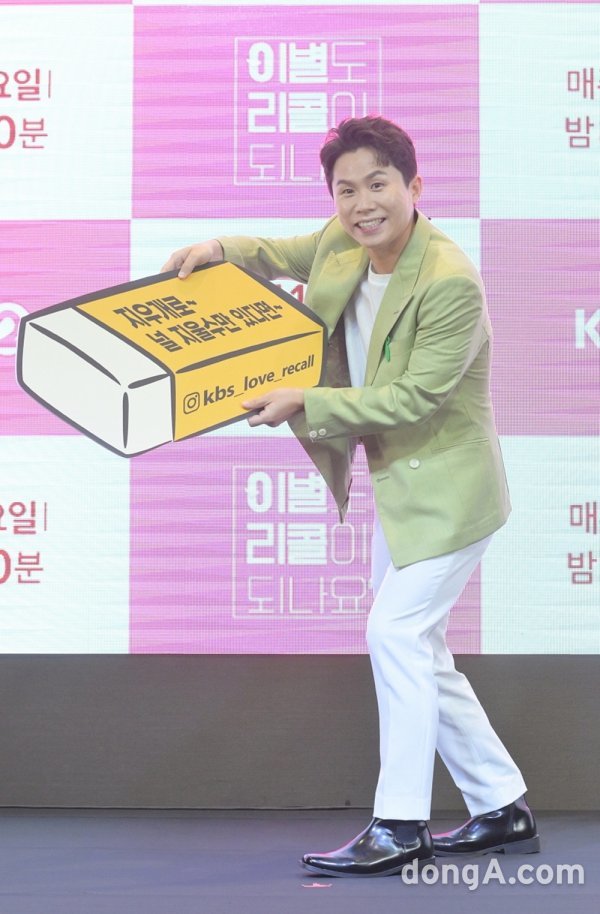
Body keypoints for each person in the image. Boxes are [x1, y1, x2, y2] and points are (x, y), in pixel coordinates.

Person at [161, 116, 540, 878]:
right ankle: (502, 805)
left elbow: (413, 398)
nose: (363, 204)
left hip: (453, 493)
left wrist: (306, 401)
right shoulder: (343, 240)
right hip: (401, 488)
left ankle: (399, 825)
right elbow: (280, 254)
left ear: (414, 186)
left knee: (394, 634)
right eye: (346, 190)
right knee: (420, 647)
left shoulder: (450, 280)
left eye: (378, 185)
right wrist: (219, 249)